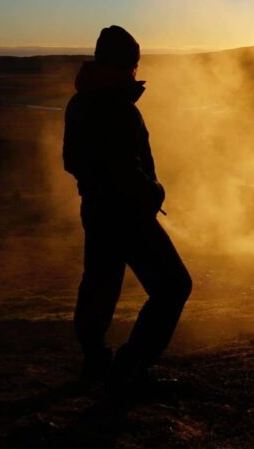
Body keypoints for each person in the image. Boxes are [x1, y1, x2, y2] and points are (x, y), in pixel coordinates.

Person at [63, 25, 191, 388]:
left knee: (100, 287)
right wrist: (153, 192)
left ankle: (96, 362)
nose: (136, 70)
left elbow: (73, 160)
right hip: (126, 214)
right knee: (173, 286)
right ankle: (130, 367)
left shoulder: (84, 100)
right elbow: (123, 166)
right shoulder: (111, 104)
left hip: (99, 210)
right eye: (133, 62)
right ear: (124, 63)